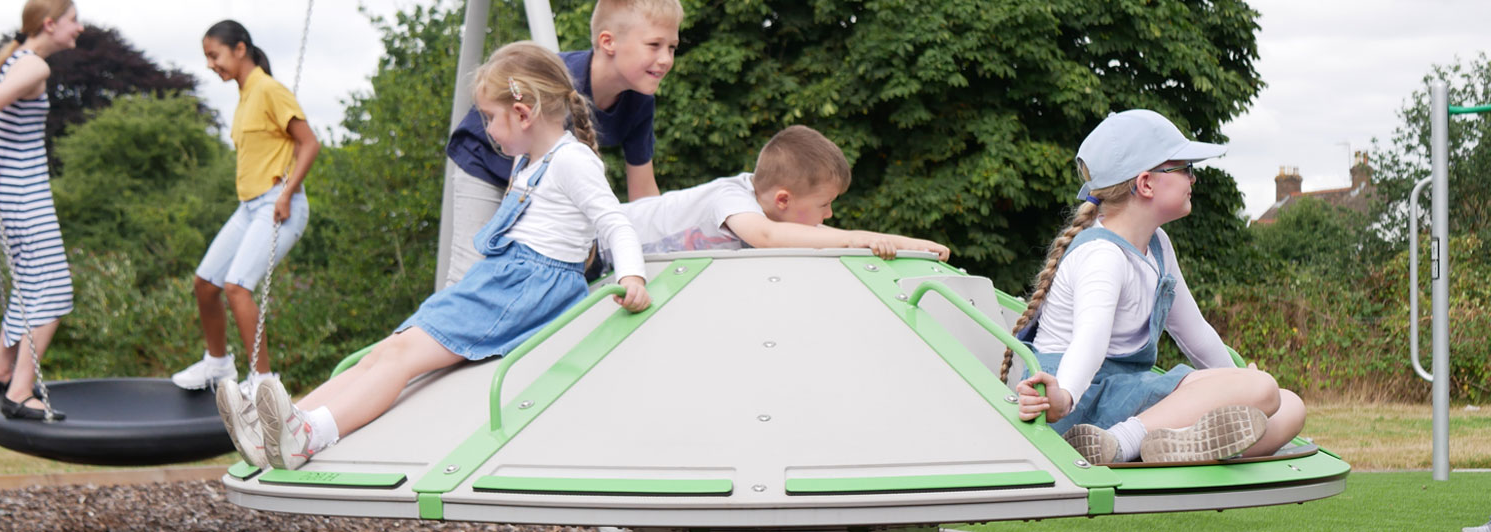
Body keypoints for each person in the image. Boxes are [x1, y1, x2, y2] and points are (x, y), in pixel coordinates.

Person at [219, 42, 652, 470]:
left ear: (523, 114)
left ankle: (311, 434)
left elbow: (615, 222)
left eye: (489, 118)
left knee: (403, 358)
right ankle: (277, 425)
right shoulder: (531, 161)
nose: (487, 129)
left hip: (525, 286)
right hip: (502, 279)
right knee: (385, 351)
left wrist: (632, 277)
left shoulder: (572, 161)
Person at [1010, 109, 1305, 464]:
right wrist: (1066, 396)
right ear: (1146, 183)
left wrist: (1234, 380)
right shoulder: (1103, 254)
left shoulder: (1157, 245)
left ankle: (1171, 442)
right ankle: (1120, 443)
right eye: (1185, 169)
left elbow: (1196, 333)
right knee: (1262, 389)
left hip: (1125, 395)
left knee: (1288, 405)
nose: (1193, 180)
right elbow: (1090, 340)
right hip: (1077, 405)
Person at [440, 0, 683, 286]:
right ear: (608, 42)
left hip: (540, 175)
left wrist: (663, 251)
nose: (666, 58)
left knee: (570, 272)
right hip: (488, 156)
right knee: (473, 273)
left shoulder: (640, 103)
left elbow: (643, 193)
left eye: (672, 47)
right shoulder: (559, 84)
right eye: (654, 45)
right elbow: (521, 183)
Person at [170, 20, 319, 396]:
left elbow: (309, 144)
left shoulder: (269, 89)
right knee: (206, 284)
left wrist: (287, 193)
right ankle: (218, 364)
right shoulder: (244, 96)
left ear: (239, 49)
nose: (210, 64)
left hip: (278, 203)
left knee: (237, 286)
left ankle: (263, 381)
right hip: (249, 207)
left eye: (214, 55)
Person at [597, 125, 950, 265]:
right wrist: (860, 239)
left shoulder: (768, 208)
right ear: (783, 199)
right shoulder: (731, 198)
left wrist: (906, 243)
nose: (828, 216)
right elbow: (767, 237)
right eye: (824, 205)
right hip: (591, 243)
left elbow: (820, 237)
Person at [0, 0, 85, 421]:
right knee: (54, 289)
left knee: (32, 282)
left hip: (15, 193)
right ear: (51, 24)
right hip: (24, 192)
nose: (80, 27)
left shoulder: (13, 59)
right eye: (74, 20)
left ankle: (1, 370)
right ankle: (19, 392)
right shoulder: (34, 66)